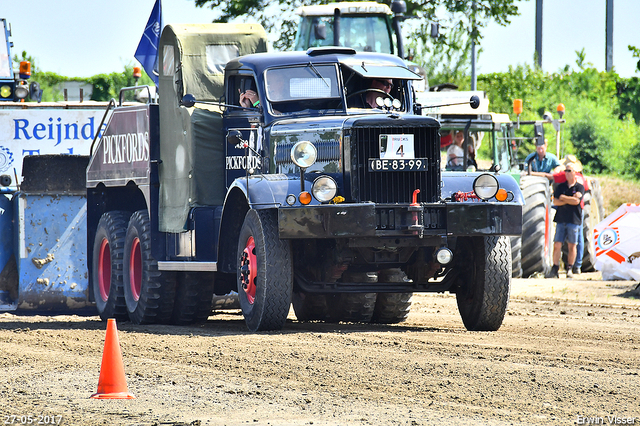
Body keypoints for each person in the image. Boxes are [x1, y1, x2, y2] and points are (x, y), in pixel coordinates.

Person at [546, 162, 585, 279]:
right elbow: (556, 202)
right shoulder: (561, 187)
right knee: (557, 244)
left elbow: (577, 202)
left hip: (573, 220)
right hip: (561, 219)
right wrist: (569, 199)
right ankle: (555, 268)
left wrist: (563, 198)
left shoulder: (580, 187)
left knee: (572, 245)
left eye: (569, 171)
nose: (567, 173)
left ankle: (570, 268)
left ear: (574, 173)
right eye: (566, 171)